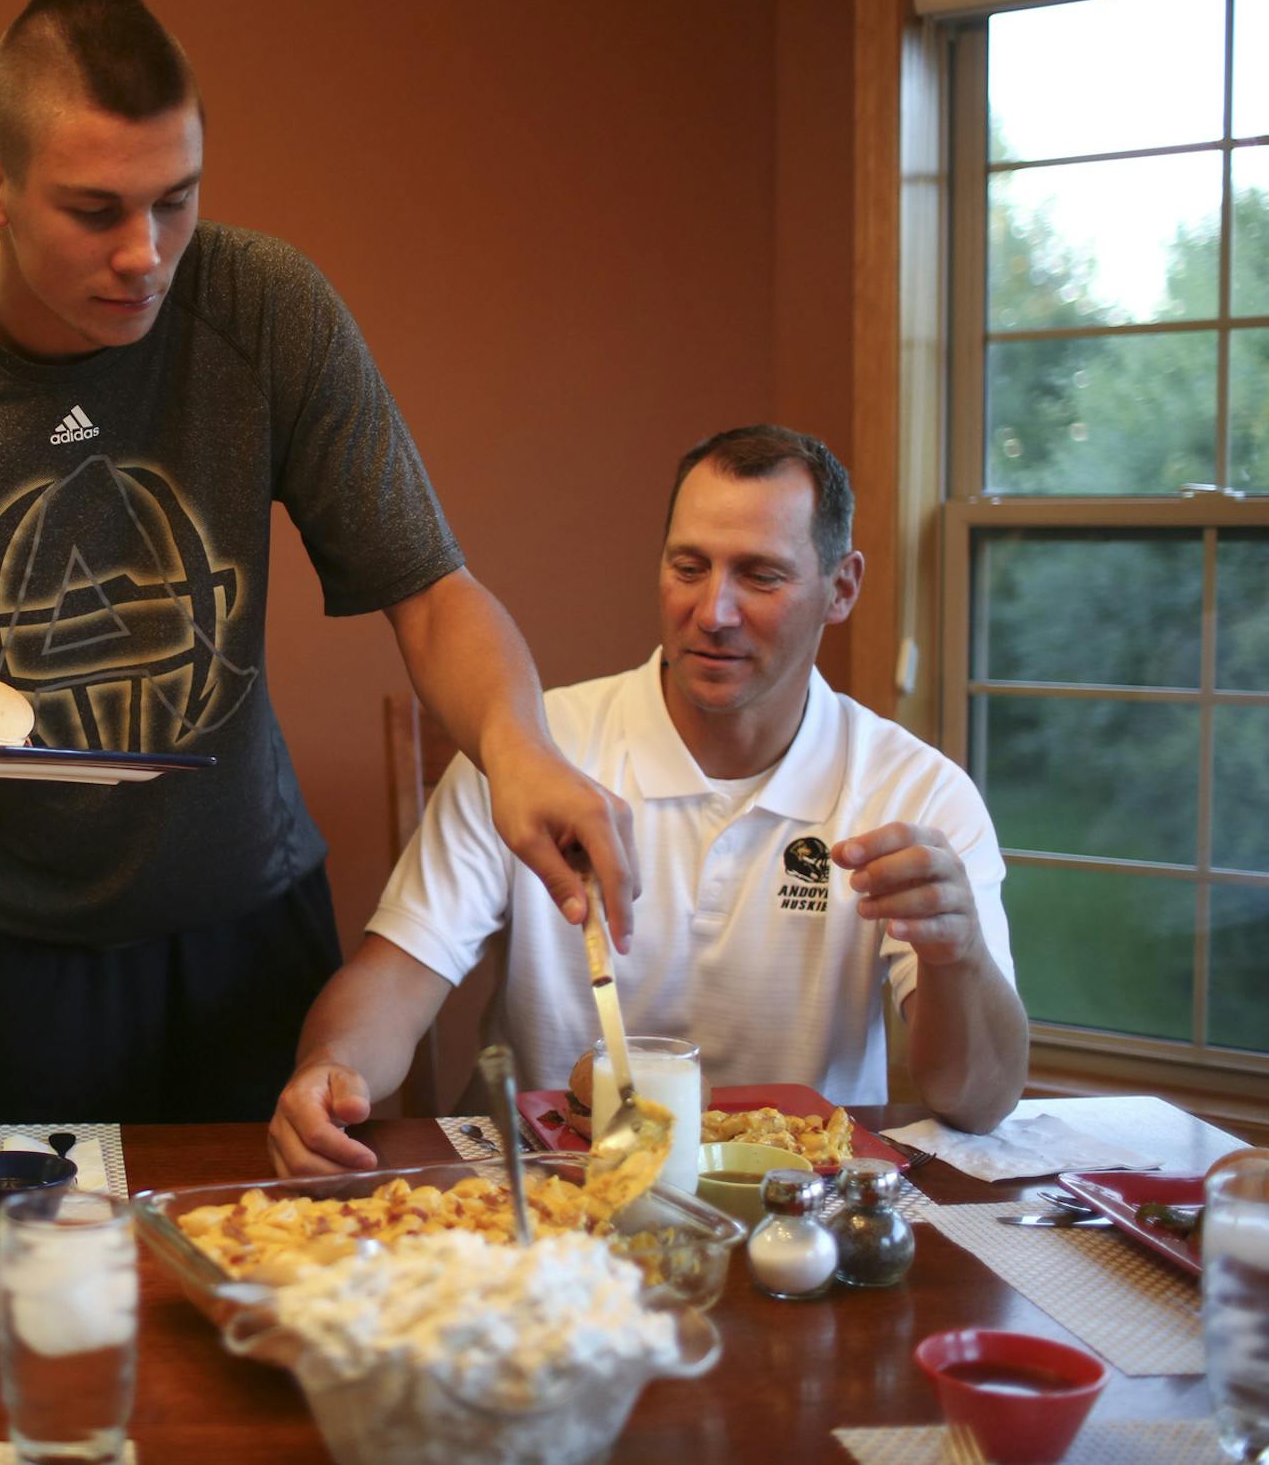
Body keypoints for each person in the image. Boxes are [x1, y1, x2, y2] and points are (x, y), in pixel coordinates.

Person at [0, 0, 635, 1123]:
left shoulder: (268, 307)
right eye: (95, 211)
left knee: (273, 1264)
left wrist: (517, 749)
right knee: (49, 1280)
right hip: (10, 938)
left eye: (177, 201)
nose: (147, 255)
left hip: (250, 914)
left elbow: (427, 590)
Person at [269, 425, 1030, 1173]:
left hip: (794, 1207)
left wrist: (956, 955)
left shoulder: (916, 793)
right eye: (688, 566)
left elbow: (979, 1102)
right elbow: (395, 978)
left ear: (842, 588)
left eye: (760, 576)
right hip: (536, 1198)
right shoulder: (531, 751)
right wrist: (331, 1069)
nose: (713, 612)